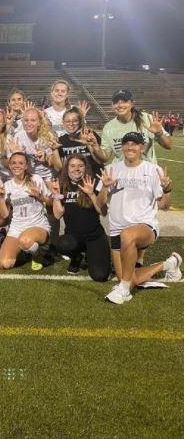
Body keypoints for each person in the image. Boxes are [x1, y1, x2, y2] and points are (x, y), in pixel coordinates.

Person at [96, 132, 181, 304]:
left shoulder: (152, 170)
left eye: (134, 144)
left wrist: (167, 189)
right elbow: (100, 204)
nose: (130, 147)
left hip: (145, 227)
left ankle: (124, 292)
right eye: (126, 143)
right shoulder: (112, 169)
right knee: (128, 278)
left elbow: (164, 205)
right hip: (116, 230)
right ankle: (169, 264)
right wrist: (105, 188)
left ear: (142, 147)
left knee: (128, 235)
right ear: (122, 147)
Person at [49, 155, 111, 280]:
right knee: (62, 244)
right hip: (73, 237)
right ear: (67, 168)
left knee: (100, 276)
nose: (76, 169)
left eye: (80, 165)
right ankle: (76, 257)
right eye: (72, 166)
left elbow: (103, 212)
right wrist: (56, 195)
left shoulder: (92, 182)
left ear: (85, 167)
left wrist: (91, 194)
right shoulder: (62, 184)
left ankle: (90, 254)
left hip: (94, 236)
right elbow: (58, 214)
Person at [0, 153, 52, 271]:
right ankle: (24, 252)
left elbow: (51, 202)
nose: (16, 166)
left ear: (26, 166)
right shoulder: (7, 186)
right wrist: (1, 199)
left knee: (26, 241)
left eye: (21, 163)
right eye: (13, 163)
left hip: (37, 226)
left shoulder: (35, 179)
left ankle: (39, 253)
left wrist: (40, 196)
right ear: (10, 166)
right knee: (4, 264)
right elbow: (5, 215)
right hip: (17, 228)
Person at [99, 89, 171, 164]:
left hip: (147, 173)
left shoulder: (147, 119)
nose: (120, 105)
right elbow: (105, 157)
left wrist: (159, 133)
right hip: (122, 173)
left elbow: (168, 145)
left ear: (132, 103)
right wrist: (93, 145)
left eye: (124, 101)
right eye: (116, 102)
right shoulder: (108, 127)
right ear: (112, 105)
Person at [56, 107, 104, 176]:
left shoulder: (90, 135)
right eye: (68, 121)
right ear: (63, 123)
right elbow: (59, 168)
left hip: (93, 178)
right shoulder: (61, 141)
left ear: (80, 122)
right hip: (73, 181)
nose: (71, 124)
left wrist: (89, 144)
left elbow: (99, 161)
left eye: (75, 121)